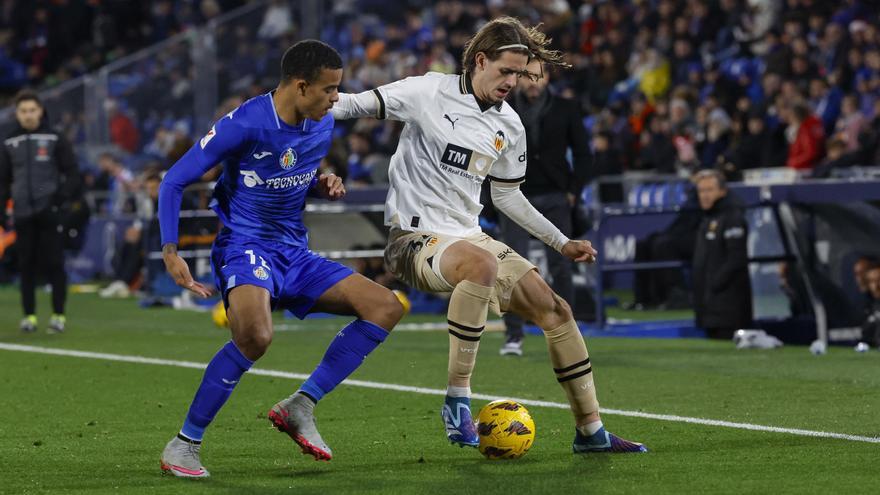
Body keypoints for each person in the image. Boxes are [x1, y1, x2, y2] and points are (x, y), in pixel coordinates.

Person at [332, 17, 645, 454]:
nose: (513, 81)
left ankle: (591, 432)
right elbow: (348, 105)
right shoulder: (427, 92)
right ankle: (457, 399)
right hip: (413, 240)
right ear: (480, 60)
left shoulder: (509, 126)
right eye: (506, 71)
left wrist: (561, 241)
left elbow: (508, 197)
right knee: (481, 264)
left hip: (468, 238)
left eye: (519, 74)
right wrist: (292, 106)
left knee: (556, 311)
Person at [157, 40, 404, 478]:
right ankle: (184, 445)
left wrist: (320, 183)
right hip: (244, 244)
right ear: (301, 85)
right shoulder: (245, 123)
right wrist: (170, 249)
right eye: (329, 90)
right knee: (255, 336)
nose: (336, 100)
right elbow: (174, 180)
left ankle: (301, 405)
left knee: (384, 306)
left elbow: (287, 174)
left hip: (294, 250)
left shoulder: (321, 123)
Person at [495, 58, 592, 356]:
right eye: (526, 76)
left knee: (562, 264)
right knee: (511, 266)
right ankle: (514, 335)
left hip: (555, 195)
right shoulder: (502, 108)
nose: (532, 82)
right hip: (515, 195)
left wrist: (574, 190)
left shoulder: (566, 108)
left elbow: (584, 154)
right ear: (518, 79)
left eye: (537, 76)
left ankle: (565, 331)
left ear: (547, 78)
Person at [0, 90, 80, 334]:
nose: (28, 115)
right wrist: (2, 210)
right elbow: (3, 180)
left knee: (55, 264)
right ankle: (29, 317)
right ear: (17, 113)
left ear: (40, 111)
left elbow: (73, 173)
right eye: (23, 111)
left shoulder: (54, 137)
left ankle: (58, 315)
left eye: (32, 110)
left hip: (50, 212)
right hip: (23, 213)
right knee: (26, 266)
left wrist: (59, 199)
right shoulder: (8, 141)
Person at [692, 169, 752, 339]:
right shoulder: (707, 218)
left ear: (722, 191)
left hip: (728, 307)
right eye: (701, 191)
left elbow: (736, 258)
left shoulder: (732, 217)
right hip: (710, 306)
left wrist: (714, 283)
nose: (704, 195)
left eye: (709, 190)